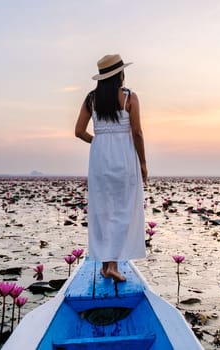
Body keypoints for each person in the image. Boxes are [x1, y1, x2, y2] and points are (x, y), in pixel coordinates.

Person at [74, 54, 147, 282]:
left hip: (100, 159)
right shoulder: (129, 97)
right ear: (120, 74)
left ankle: (107, 265)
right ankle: (112, 265)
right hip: (124, 157)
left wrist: (97, 140)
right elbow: (137, 132)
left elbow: (79, 131)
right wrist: (143, 163)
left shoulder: (91, 99)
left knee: (103, 210)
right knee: (123, 210)